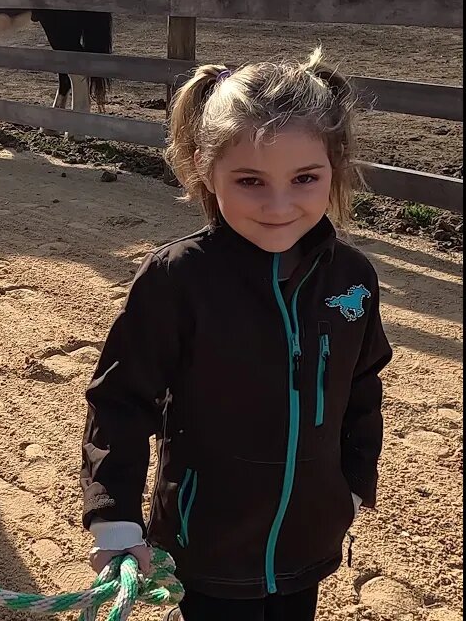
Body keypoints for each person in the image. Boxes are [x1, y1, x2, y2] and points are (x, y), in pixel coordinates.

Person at [78, 48, 393, 621]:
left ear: (334, 167)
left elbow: (363, 383)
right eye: (250, 180)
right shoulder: (177, 279)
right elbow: (120, 401)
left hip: (311, 536)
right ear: (204, 166)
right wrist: (115, 518)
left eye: (305, 178)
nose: (279, 206)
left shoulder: (353, 279)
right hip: (209, 547)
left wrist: (352, 481)